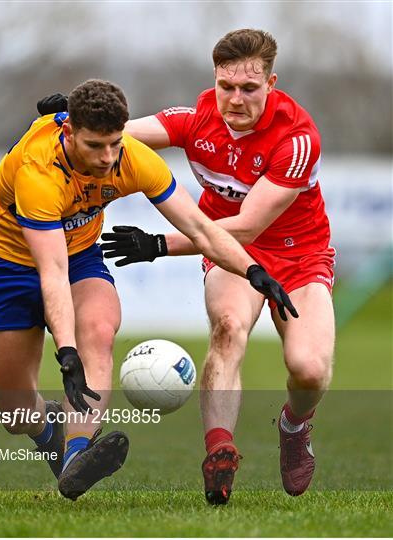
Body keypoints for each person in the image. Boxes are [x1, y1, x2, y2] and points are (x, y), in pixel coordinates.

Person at [38, 28, 335, 505]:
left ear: (271, 83)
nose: (234, 99)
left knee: (309, 370)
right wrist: (66, 120)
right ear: (215, 81)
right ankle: (220, 451)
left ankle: (294, 426)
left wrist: (157, 242)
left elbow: (244, 228)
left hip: (298, 255)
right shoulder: (196, 119)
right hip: (226, 255)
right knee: (228, 327)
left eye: (249, 89)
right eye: (226, 86)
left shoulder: (298, 139)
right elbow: (113, 133)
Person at [0, 79, 297, 501]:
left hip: (80, 258)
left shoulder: (133, 158)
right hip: (10, 268)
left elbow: (199, 228)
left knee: (99, 329)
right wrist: (65, 353)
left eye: (114, 143)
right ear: (69, 133)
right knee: (16, 414)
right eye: (95, 146)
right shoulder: (38, 174)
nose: (108, 157)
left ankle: (76, 454)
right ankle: (51, 428)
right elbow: (49, 272)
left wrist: (253, 270)